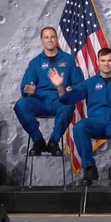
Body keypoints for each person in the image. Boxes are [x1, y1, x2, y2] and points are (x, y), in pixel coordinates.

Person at [48, 48, 111, 186]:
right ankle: (89, 168)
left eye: (109, 60)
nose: (106, 64)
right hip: (95, 122)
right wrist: (60, 87)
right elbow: (68, 98)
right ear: (97, 62)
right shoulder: (89, 83)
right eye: (103, 60)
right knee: (79, 127)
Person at [14, 27, 84, 156]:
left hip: (60, 99)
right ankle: (38, 141)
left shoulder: (69, 60)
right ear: (41, 40)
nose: (50, 40)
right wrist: (30, 91)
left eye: (52, 37)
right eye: (46, 37)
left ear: (56, 39)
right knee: (21, 105)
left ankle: (53, 142)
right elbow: (26, 87)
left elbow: (79, 84)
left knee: (68, 105)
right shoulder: (35, 62)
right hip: (40, 100)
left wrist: (71, 90)